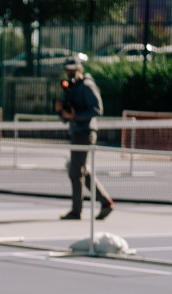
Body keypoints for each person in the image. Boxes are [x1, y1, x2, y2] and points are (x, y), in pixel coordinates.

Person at [54, 56, 114, 221]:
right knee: (80, 171)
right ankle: (106, 202)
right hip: (76, 132)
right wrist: (61, 111)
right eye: (67, 70)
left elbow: (97, 109)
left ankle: (77, 211)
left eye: (72, 70)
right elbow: (67, 116)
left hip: (85, 132)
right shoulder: (69, 88)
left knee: (75, 172)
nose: (69, 73)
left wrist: (76, 116)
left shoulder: (87, 86)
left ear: (79, 69)